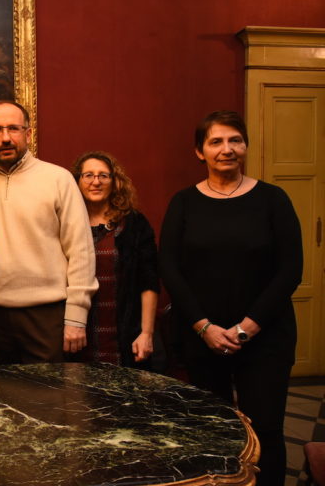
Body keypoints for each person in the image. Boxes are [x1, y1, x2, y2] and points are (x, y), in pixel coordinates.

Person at [159, 110, 302, 486]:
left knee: (266, 430)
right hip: (201, 337)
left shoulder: (274, 199)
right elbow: (170, 269)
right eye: (216, 141)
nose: (227, 149)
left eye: (235, 140)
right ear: (199, 152)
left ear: (246, 146)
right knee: (210, 431)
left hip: (266, 337)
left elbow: (290, 270)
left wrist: (246, 328)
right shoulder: (184, 203)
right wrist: (204, 327)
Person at [0, 101, 97, 364]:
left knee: (48, 401)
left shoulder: (58, 179)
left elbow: (81, 251)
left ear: (28, 134)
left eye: (14, 129)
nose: (6, 137)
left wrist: (77, 317)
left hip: (45, 317)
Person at [70, 151, 159, 367]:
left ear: (114, 181)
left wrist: (146, 333)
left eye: (104, 176)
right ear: (77, 181)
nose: (96, 182)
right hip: (76, 333)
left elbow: (149, 281)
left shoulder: (134, 224)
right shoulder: (66, 222)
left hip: (125, 333)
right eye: (88, 175)